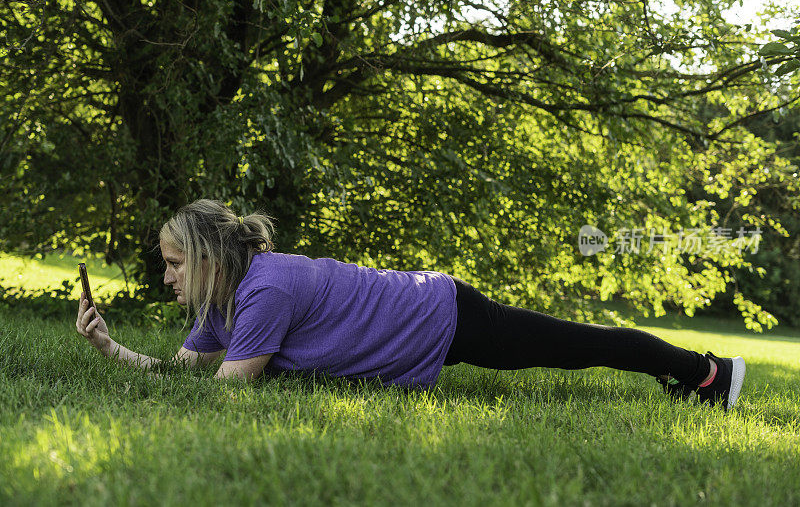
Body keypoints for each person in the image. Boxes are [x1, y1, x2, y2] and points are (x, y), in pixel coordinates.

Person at [75, 199, 746, 410]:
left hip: (440, 315)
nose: (165, 274)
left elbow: (224, 392)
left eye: (173, 261)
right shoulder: (225, 300)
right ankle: (700, 373)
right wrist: (109, 347)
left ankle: (709, 373)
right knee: (578, 346)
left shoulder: (265, 288)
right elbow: (187, 371)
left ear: (209, 259)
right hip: (428, 310)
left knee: (581, 344)